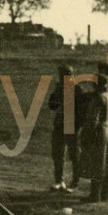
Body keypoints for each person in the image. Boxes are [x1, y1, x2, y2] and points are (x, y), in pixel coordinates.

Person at [79, 61, 108, 202]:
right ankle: (106, 192)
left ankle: (96, 194)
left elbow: (94, 117)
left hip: (102, 127)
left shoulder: (104, 92)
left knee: (98, 162)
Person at [48, 64, 79, 192]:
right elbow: (52, 106)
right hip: (60, 123)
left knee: (74, 154)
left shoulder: (77, 89)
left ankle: (74, 182)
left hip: (72, 124)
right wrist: (55, 92)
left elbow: (81, 109)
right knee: (58, 152)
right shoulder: (60, 88)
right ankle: (59, 181)